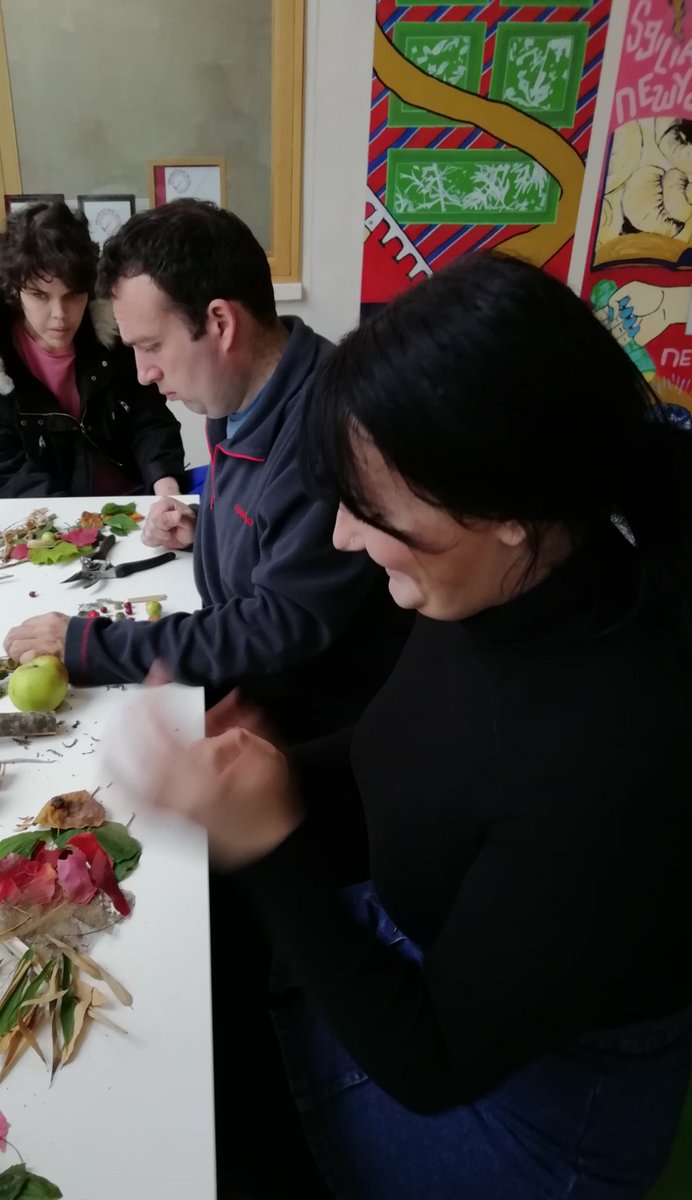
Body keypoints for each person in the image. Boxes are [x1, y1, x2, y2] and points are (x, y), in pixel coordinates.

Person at [135, 253, 692, 1199]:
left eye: (371, 511)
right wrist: (265, 771)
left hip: (526, 1113)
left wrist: (267, 840)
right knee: (185, 961)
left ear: (507, 509)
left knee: (196, 1127)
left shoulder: (619, 749)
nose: (345, 540)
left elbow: (435, 1064)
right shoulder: (508, 579)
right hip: (431, 950)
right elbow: (413, 744)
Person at [4, 199, 412, 742]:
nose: (145, 374)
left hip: (303, 735)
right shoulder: (241, 399)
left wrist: (90, 644)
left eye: (151, 346)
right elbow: (283, 538)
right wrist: (213, 536)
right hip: (247, 694)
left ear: (219, 322)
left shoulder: (327, 432)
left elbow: (276, 626)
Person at [0, 201, 185, 499]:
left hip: (136, 504)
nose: (60, 314)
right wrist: (79, 530)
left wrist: (166, 486)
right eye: (40, 296)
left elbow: (150, 421)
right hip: (46, 525)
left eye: (73, 295)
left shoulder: (114, 339)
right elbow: (3, 474)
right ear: (14, 291)